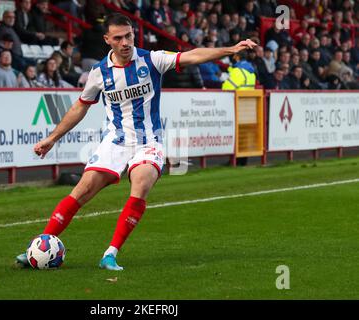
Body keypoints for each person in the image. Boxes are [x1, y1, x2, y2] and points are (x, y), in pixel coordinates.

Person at [15, 13, 256, 271]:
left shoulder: (152, 59)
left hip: (148, 141)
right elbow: (79, 107)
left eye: (128, 36)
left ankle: (110, 254)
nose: (125, 42)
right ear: (108, 40)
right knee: (82, 190)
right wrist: (52, 138)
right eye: (118, 38)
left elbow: (191, 55)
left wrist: (230, 49)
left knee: (140, 184)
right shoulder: (98, 73)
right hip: (116, 141)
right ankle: (40, 246)